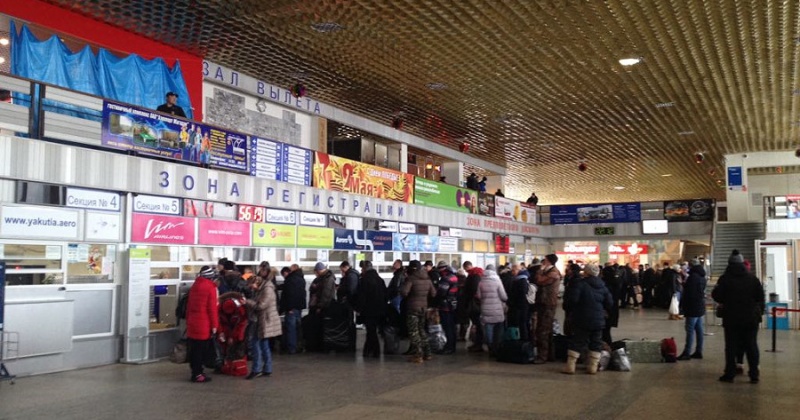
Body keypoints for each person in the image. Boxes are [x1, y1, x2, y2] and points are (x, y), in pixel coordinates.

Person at [712, 250, 765, 384]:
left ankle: (730, 374)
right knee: (751, 345)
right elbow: (760, 297)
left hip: (732, 318)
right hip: (751, 318)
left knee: (731, 346)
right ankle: (754, 374)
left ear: (729, 264)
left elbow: (717, 296)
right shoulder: (753, 279)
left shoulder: (725, 279)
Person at [562, 263, 612, 375]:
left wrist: (570, 309)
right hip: (598, 319)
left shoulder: (580, 284)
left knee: (577, 341)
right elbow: (610, 303)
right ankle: (592, 367)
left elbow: (572, 300)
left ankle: (570, 366)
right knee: (596, 342)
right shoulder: (603, 286)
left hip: (582, 317)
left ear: (586, 272)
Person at [245, 266, 281, 379]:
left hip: (264, 321)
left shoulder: (267, 289)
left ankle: (256, 369)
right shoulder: (262, 288)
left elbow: (261, 306)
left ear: (257, 283)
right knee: (264, 345)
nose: (252, 289)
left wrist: (247, 302)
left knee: (256, 344)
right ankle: (267, 369)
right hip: (262, 320)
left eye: (252, 286)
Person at [185, 266, 219, 383]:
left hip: (193, 323)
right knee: (201, 350)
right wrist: (215, 326)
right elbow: (212, 309)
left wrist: (189, 321)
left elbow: (188, 307)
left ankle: (195, 371)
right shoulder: (210, 288)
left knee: (194, 350)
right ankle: (198, 374)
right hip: (204, 324)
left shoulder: (194, 286)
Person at [400, 260, 436, 364]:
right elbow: (433, 293)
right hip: (423, 308)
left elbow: (404, 292)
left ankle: (418, 355)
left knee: (413, 332)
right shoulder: (427, 279)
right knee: (422, 330)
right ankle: (428, 353)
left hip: (413, 308)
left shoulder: (411, 279)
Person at [533, 254, 562, 364]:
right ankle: (549, 354)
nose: (543, 262)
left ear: (549, 261)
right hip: (543, 303)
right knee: (546, 329)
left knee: (543, 330)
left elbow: (540, 281)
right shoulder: (550, 271)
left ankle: (543, 356)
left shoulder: (553, 273)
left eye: (545, 260)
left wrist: (539, 271)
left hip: (548, 304)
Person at [355, 261, 387, 358]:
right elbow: (385, 294)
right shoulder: (380, 280)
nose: (361, 270)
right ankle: (368, 350)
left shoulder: (365, 280)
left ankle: (375, 351)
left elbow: (362, 297)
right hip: (380, 309)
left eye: (362, 269)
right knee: (372, 330)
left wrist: (358, 308)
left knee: (371, 330)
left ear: (365, 269)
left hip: (369, 310)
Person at [678, 258, 707, 361]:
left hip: (692, 307)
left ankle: (687, 352)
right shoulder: (702, 276)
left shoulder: (693, 277)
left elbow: (690, 293)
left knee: (690, 330)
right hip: (700, 306)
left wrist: (683, 307)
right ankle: (699, 351)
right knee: (699, 330)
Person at [476, 264, 507, 356]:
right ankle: (497, 347)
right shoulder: (497, 281)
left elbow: (479, 296)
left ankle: (490, 346)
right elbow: (503, 296)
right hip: (497, 309)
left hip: (485, 309)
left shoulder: (481, 282)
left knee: (488, 328)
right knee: (498, 329)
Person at [279, 264, 306, 354]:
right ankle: (300, 347)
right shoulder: (301, 279)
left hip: (291, 308)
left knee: (291, 329)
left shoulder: (290, 280)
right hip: (299, 307)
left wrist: (288, 307)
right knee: (298, 328)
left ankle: (292, 348)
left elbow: (289, 295)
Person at [434, 261, 459, 355]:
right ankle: (452, 346)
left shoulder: (445, 278)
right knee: (452, 327)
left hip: (445, 306)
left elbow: (441, 292)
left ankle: (449, 347)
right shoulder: (454, 276)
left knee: (448, 327)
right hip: (453, 305)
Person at [462, 263, 484, 352]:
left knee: (477, 324)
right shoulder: (477, 274)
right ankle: (478, 343)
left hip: (474, 304)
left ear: (468, 267)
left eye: (465, 268)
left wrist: (467, 298)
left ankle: (478, 344)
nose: (466, 270)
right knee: (477, 324)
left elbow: (473, 290)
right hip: (476, 303)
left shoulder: (474, 276)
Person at [601, 262, 622, 345]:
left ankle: (606, 350)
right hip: (613, 310)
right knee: (606, 331)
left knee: (604, 332)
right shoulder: (616, 283)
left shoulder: (606, 285)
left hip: (606, 311)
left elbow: (607, 300)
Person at [508, 264, 530, 341]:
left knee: (522, 323)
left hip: (521, 306)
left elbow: (522, 294)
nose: (512, 272)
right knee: (522, 323)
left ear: (518, 270)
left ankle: (524, 340)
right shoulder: (518, 279)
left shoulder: (521, 280)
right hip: (521, 305)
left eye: (514, 270)